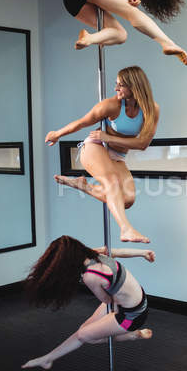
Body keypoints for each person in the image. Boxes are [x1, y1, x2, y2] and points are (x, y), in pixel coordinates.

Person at [45, 66, 159, 244]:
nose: (116, 89)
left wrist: (109, 136)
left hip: (116, 153)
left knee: (128, 199)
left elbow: (142, 144)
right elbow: (82, 122)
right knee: (111, 182)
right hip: (96, 146)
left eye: (121, 85)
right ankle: (126, 229)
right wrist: (57, 133)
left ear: (135, 87)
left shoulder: (151, 110)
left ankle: (83, 185)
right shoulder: (111, 105)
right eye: (116, 84)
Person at [21, 236, 154, 370]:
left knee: (84, 336)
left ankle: (133, 335)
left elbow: (106, 300)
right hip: (134, 299)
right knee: (83, 330)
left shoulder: (90, 276)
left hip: (132, 316)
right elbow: (118, 252)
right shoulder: (95, 254)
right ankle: (47, 359)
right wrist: (142, 253)